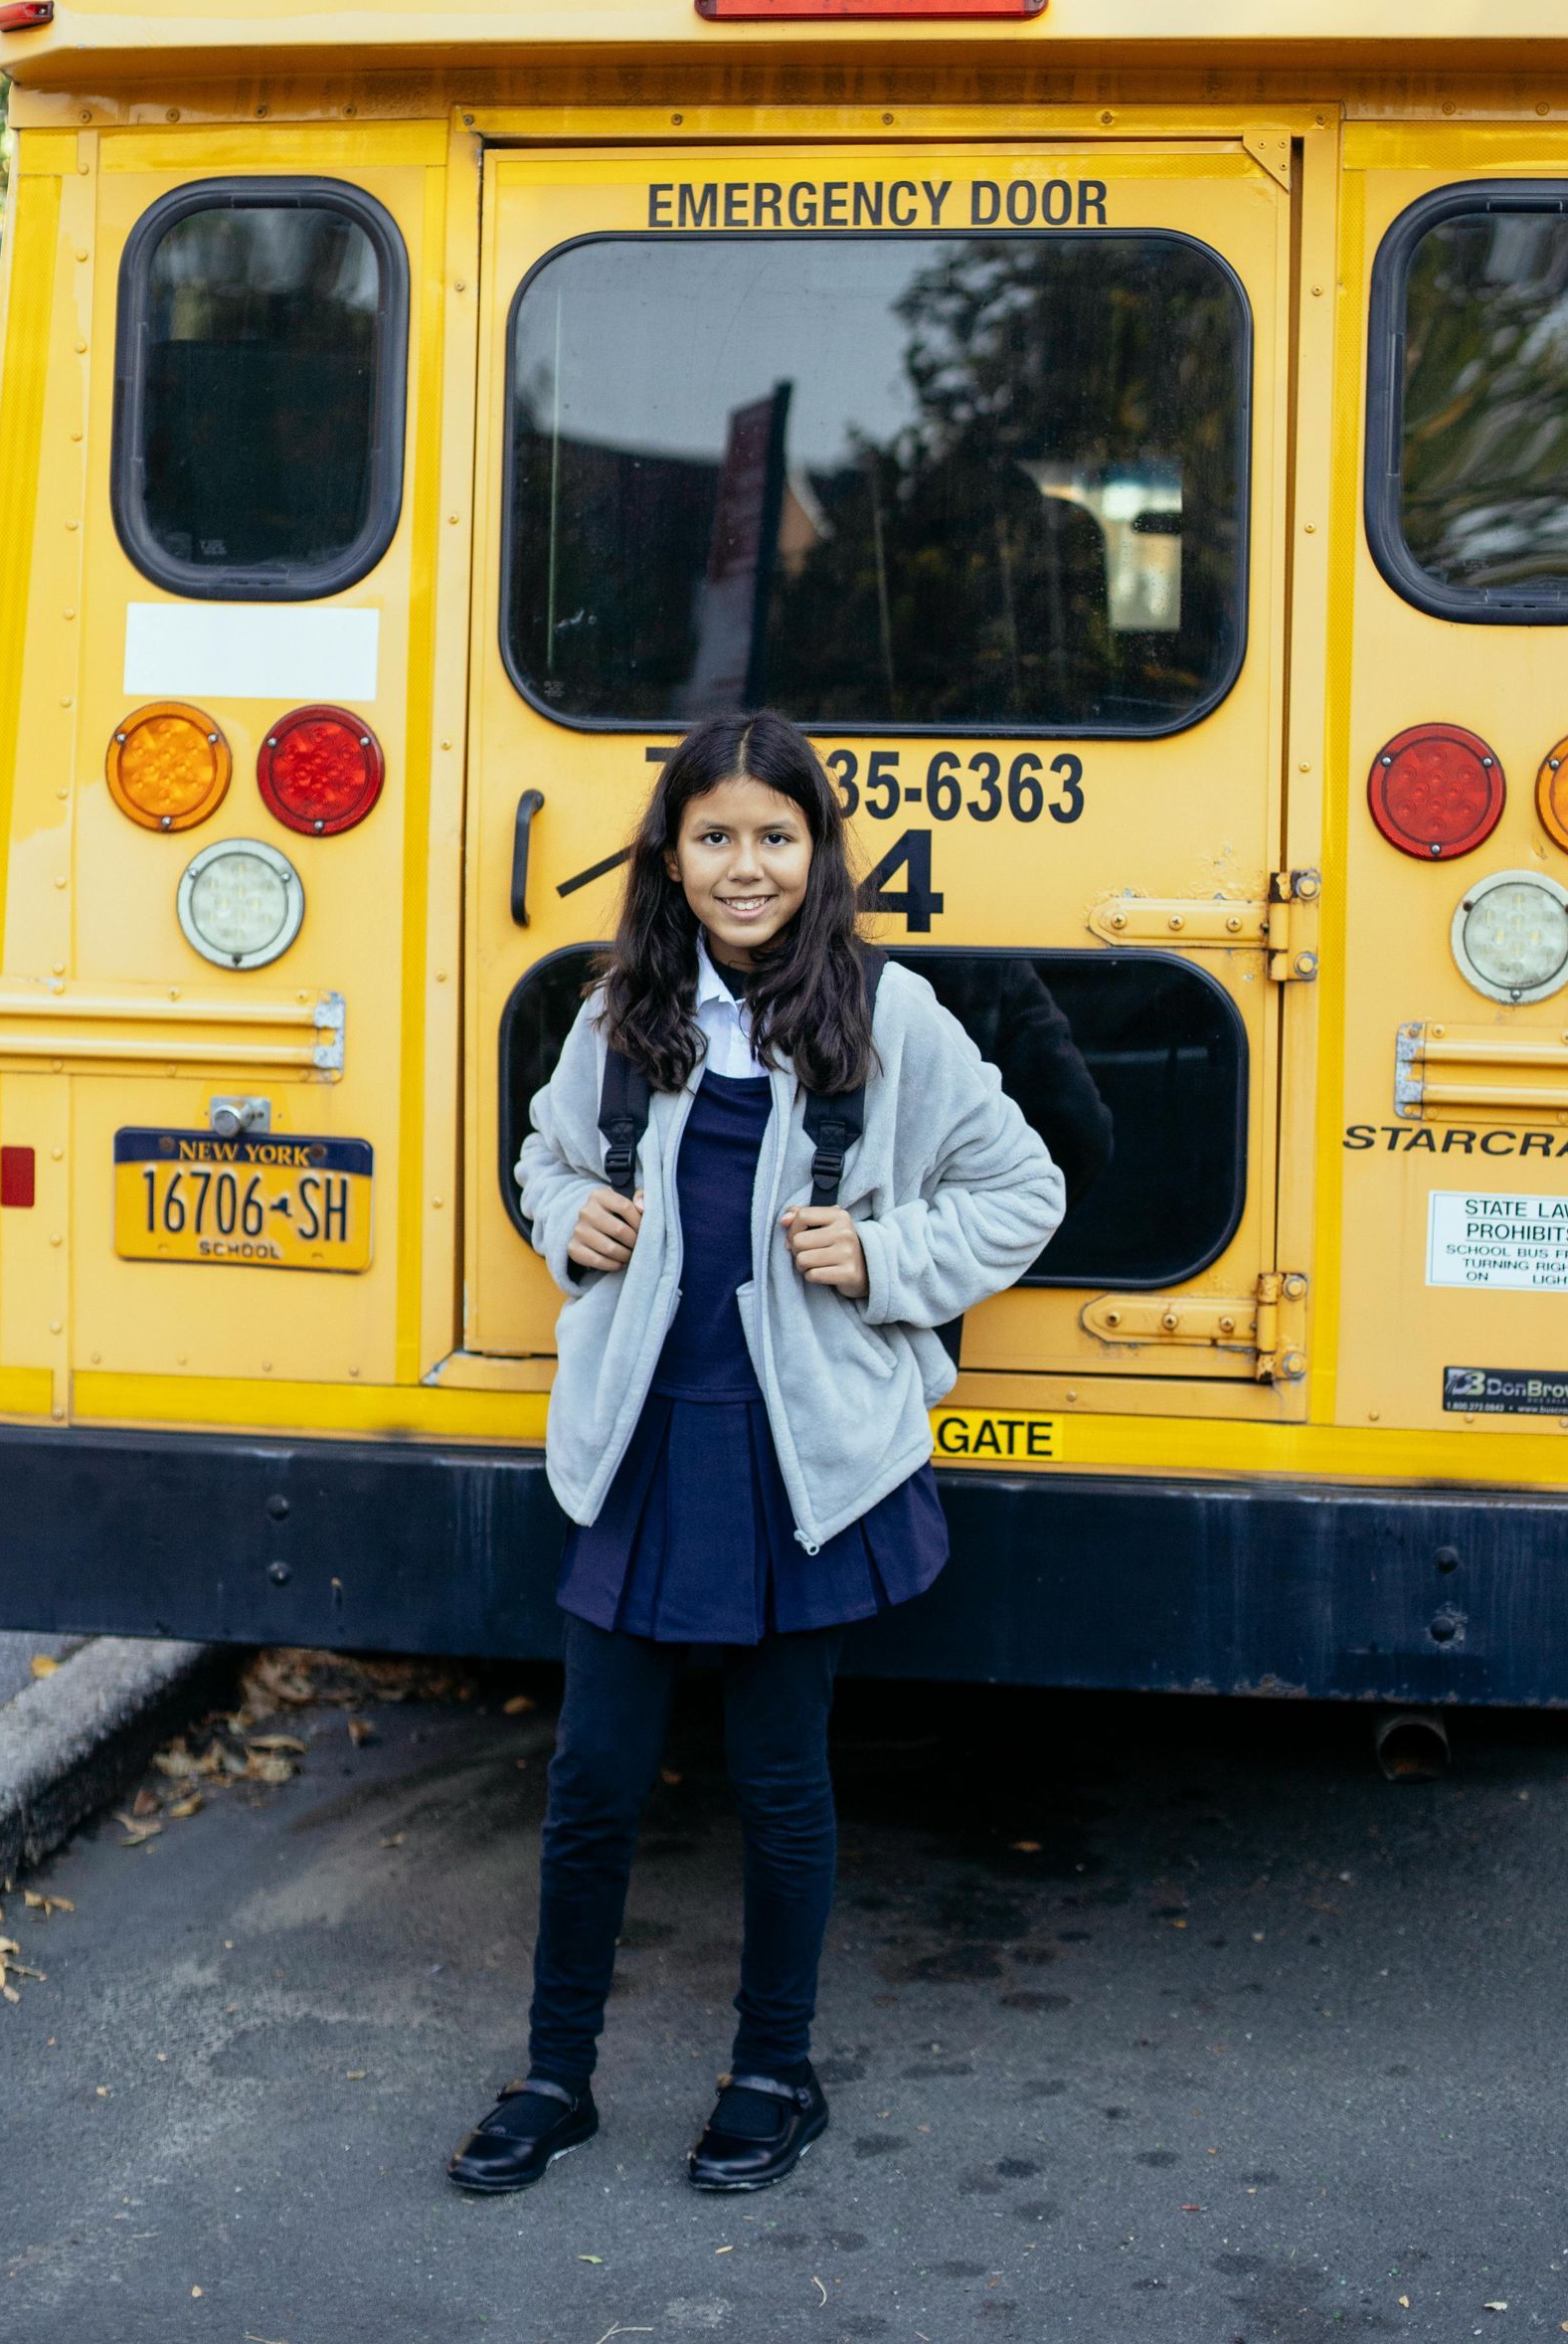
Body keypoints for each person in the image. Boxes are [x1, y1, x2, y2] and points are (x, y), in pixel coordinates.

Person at [448, 710, 1065, 2199]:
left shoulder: (887, 1018)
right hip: (644, 1445)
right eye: (714, 836)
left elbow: (1023, 1189)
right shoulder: (619, 1018)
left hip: (802, 1459)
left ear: (818, 854)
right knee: (594, 1778)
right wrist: (559, 1221)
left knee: (782, 1778)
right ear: (670, 853)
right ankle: (555, 2074)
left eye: (775, 838)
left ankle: (776, 2073)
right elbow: (544, 1157)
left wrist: (880, 1249)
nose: (745, 866)